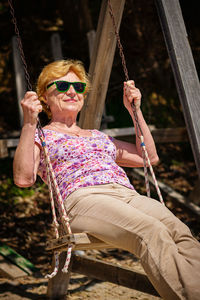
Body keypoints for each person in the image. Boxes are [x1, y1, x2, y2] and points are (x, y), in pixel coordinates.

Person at [13, 59, 200, 300]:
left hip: (126, 195)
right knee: (150, 232)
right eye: (62, 86)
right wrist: (29, 122)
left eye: (79, 87)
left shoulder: (99, 136)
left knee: (179, 231)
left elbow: (149, 157)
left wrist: (135, 111)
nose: (72, 91)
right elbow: (23, 178)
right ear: (43, 97)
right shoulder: (41, 136)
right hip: (84, 200)